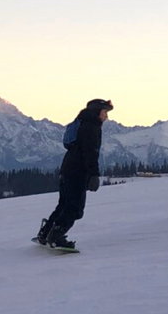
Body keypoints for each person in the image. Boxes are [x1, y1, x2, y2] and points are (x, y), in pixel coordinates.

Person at [36, 98, 113, 249]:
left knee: (64, 205)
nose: (106, 116)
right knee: (75, 209)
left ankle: (45, 233)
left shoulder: (82, 123)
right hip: (78, 172)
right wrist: (94, 174)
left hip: (68, 169)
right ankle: (56, 236)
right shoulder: (92, 126)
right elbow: (91, 152)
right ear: (97, 111)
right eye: (105, 112)